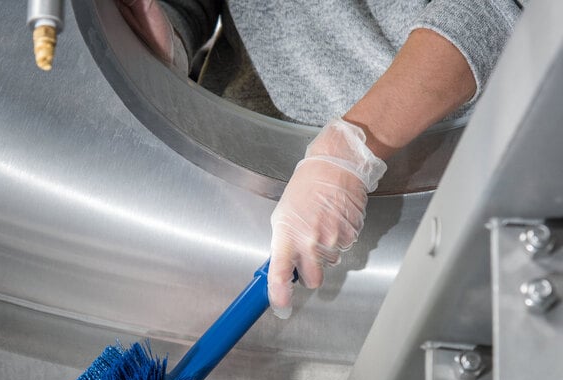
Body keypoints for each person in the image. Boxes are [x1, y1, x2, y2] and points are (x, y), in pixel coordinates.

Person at [118, 0, 522, 317]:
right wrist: (166, 37)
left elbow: (500, 7)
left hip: (421, 203)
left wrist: (355, 149)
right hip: (235, 185)